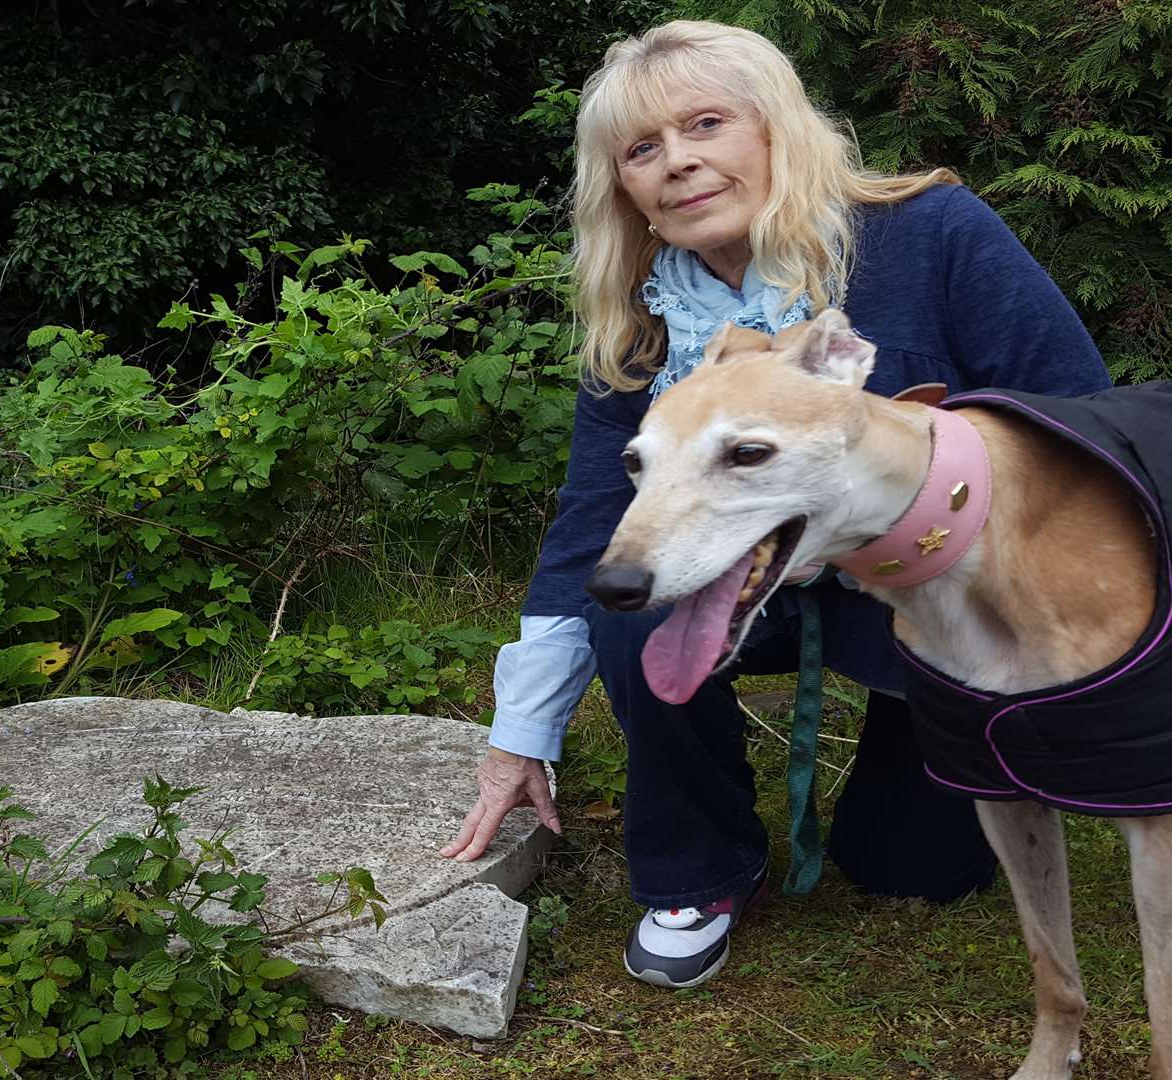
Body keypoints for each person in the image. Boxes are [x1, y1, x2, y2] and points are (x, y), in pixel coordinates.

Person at [438, 19, 1111, 989]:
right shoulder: (639, 322)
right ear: (622, 187)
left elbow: (1077, 415)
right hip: (740, 582)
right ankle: (700, 870)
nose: (679, 161)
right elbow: (593, 519)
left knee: (911, 871)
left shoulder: (932, 234)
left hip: (938, 593)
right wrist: (520, 735)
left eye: (706, 122)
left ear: (776, 130)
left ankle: (948, 745)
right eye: (643, 148)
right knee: (629, 612)